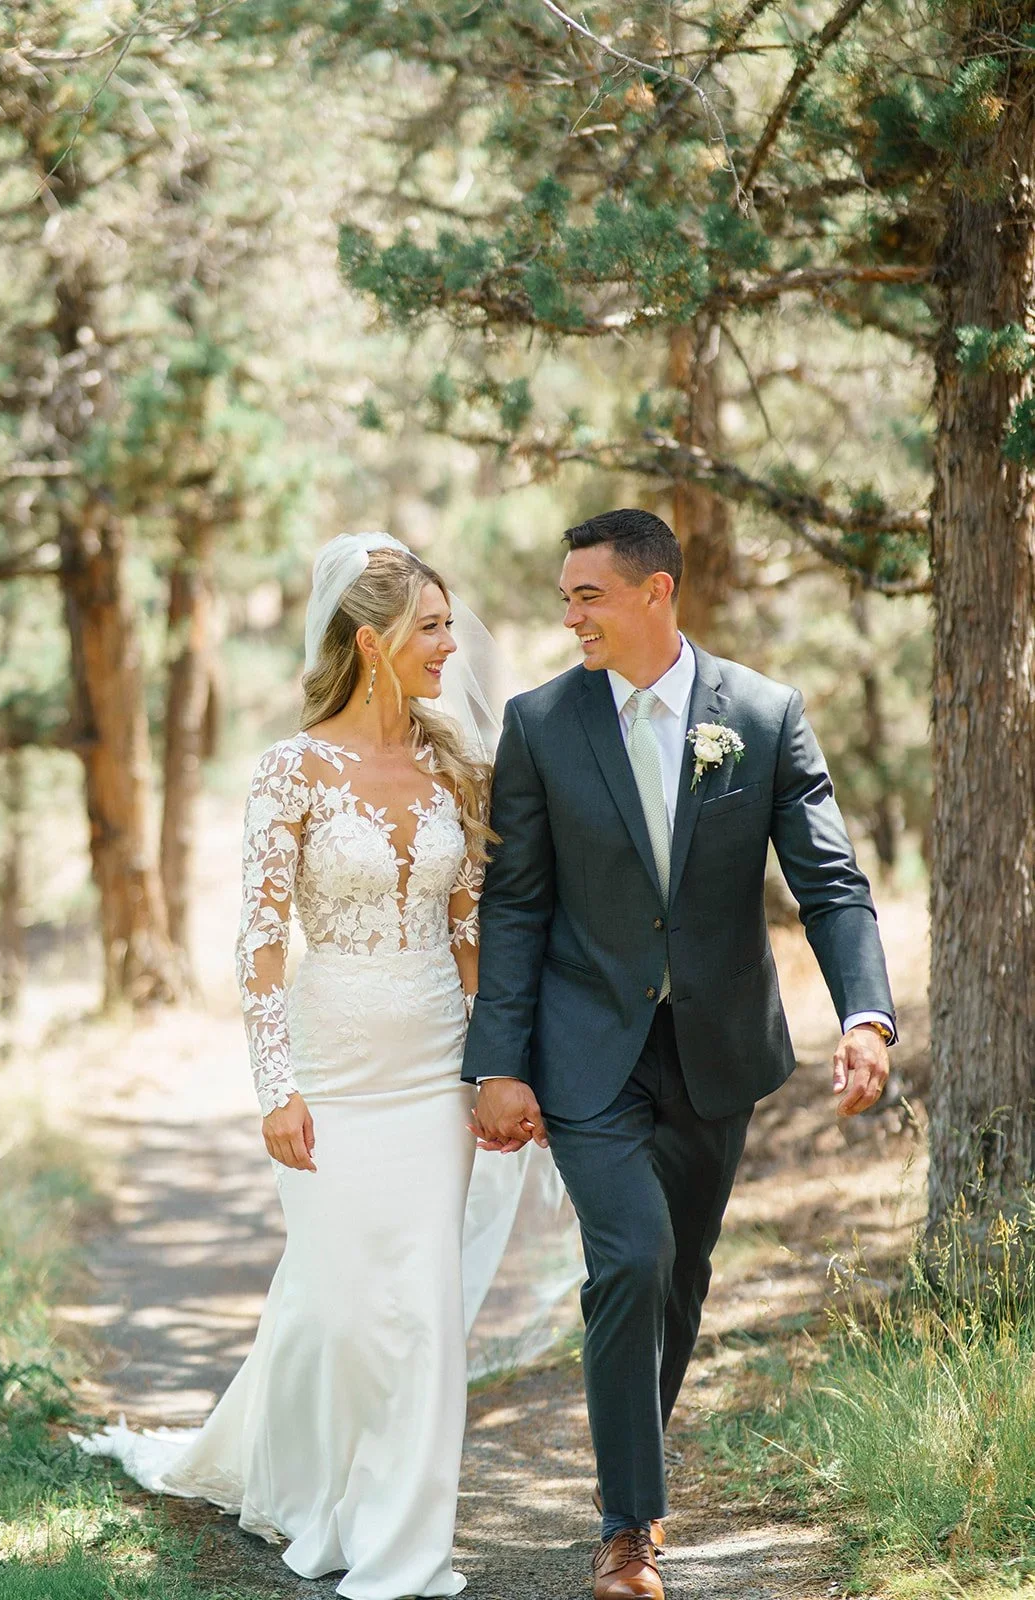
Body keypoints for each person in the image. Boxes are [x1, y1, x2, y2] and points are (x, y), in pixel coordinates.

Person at [464, 508, 896, 1600]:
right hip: (583, 1047)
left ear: (655, 593)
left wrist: (863, 1015)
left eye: (587, 596)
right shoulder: (540, 724)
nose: (568, 617)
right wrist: (498, 1062)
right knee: (632, 1257)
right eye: (562, 596)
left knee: (682, 1278)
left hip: (714, 1049)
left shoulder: (759, 713)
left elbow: (830, 882)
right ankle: (626, 1532)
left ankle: (627, 1474)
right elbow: (514, 909)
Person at [83, 535, 496, 1598]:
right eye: (431, 627)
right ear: (371, 641)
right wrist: (276, 1087)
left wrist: (498, 1063)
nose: (452, 645)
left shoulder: (455, 764)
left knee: (422, 1307)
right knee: (345, 1306)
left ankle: (404, 1542)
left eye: (451, 624)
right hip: (332, 1068)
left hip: (436, 1070)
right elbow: (259, 941)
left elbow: (469, 935)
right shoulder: (289, 771)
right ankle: (316, 1489)